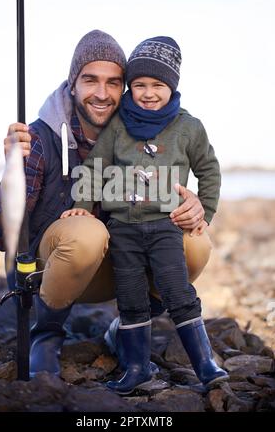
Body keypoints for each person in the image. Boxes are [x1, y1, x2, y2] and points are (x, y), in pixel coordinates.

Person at [0, 30, 211, 379]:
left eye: (114, 82)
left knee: (194, 242)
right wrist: (12, 171)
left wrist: (194, 205)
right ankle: (45, 336)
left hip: (121, 264)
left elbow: (183, 186)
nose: (102, 94)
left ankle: (128, 328)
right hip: (51, 268)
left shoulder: (145, 134)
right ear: (72, 83)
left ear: (125, 88)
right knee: (86, 232)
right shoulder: (39, 137)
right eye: (90, 80)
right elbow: (2, 237)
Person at [62, 36, 229, 394]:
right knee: (132, 300)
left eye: (158, 85)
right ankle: (137, 368)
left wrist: (206, 212)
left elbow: (209, 171)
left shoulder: (188, 127)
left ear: (172, 87)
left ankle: (205, 365)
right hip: (124, 230)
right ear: (130, 88)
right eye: (139, 85)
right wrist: (84, 202)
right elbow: (94, 166)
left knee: (178, 293)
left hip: (166, 227)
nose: (148, 93)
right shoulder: (119, 125)